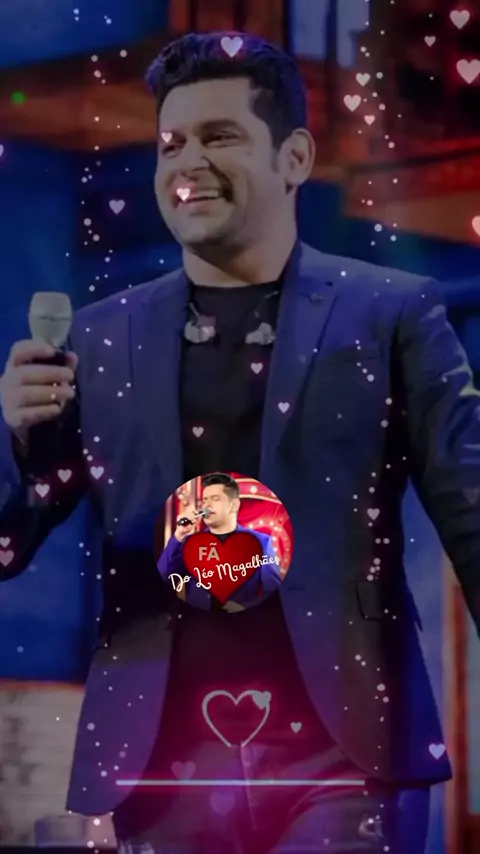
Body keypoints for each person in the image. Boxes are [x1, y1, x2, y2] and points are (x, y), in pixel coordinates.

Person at [0, 29, 479, 854]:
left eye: (220, 137)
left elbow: (471, 510)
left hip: (345, 759)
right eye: (171, 144)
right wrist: (18, 437)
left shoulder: (391, 313)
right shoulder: (101, 337)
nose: (187, 163)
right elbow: (10, 539)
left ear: (294, 158)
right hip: (160, 763)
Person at [158, 472, 282, 610]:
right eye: (205, 500)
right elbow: (163, 575)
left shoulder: (262, 542)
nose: (207, 505)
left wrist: (246, 608)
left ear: (233, 505)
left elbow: (273, 594)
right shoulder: (190, 543)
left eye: (215, 499)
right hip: (198, 621)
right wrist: (179, 535)